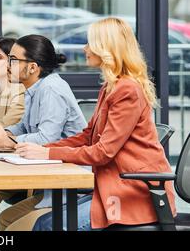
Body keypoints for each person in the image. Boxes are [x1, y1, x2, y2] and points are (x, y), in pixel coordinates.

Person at [9, 17, 176, 231]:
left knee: (47, 226)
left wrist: (47, 154)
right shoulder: (111, 87)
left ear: (106, 49)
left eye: (90, 43)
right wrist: (42, 149)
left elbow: (103, 152)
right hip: (113, 186)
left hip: (134, 194)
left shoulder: (127, 91)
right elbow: (88, 136)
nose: (85, 48)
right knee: (46, 223)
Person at [0, 35, 87, 231]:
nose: (8, 65)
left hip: (68, 181)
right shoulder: (33, 89)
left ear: (32, 67)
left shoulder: (51, 90)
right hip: (43, 172)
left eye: (13, 60)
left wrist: (7, 142)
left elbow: (46, 138)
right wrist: (2, 134)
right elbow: (22, 127)